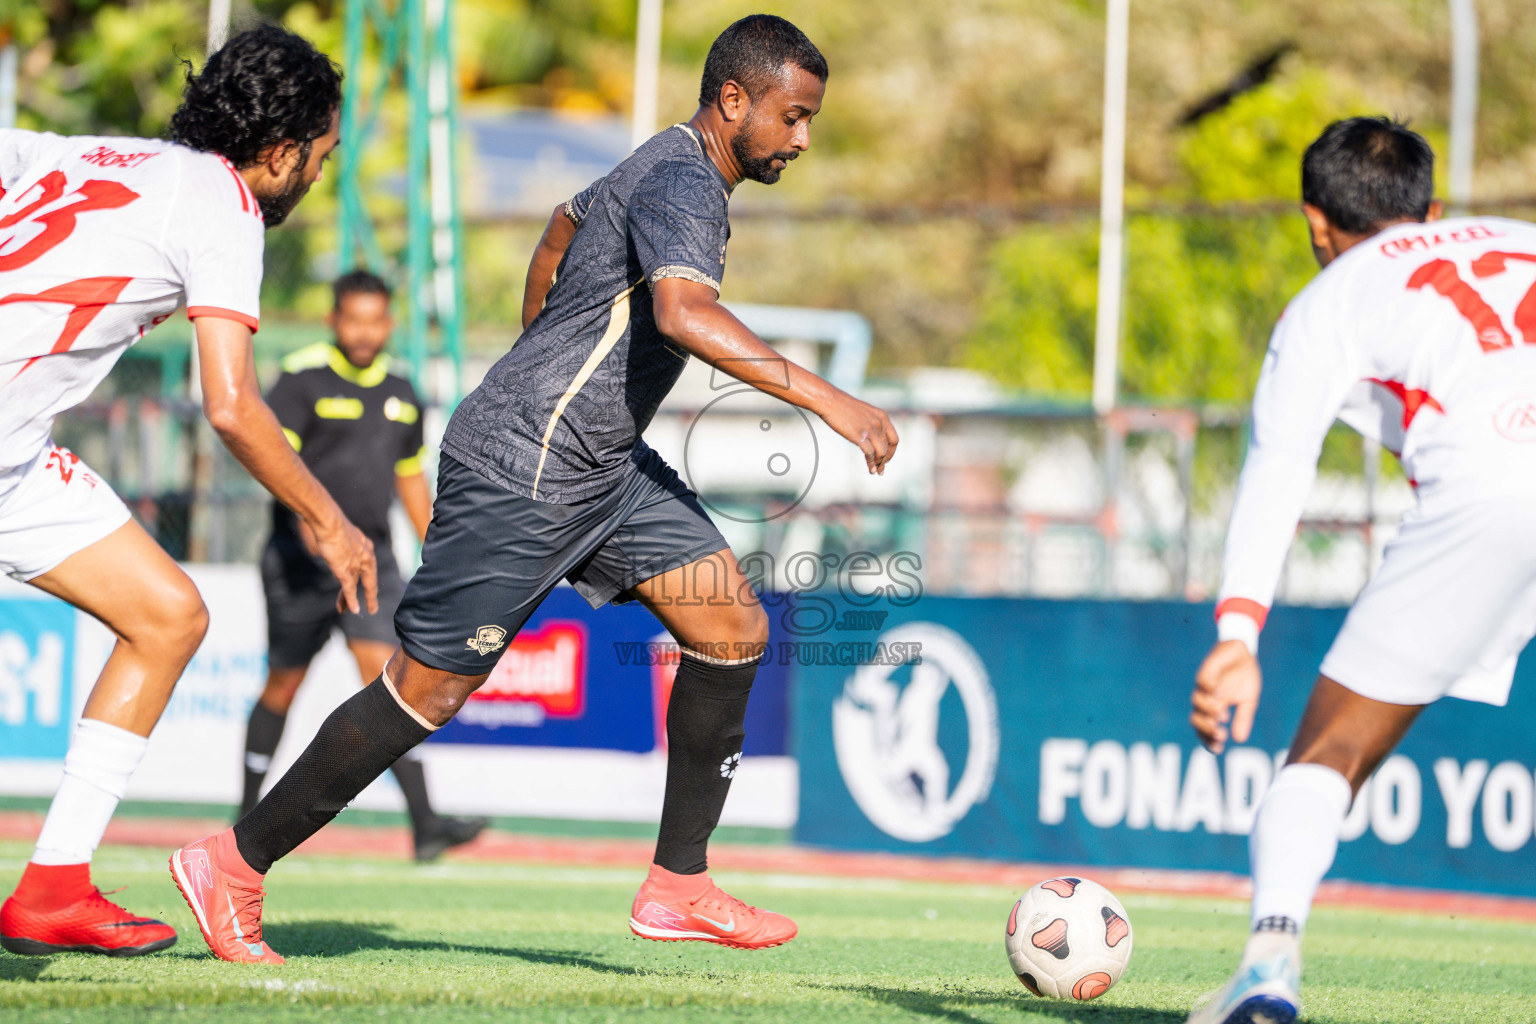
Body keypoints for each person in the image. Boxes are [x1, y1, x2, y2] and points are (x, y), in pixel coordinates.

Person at [172, 13, 898, 964]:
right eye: (793, 117)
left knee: (730, 626)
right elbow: (683, 313)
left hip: (604, 469)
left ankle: (679, 884)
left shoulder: (662, 161)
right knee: (427, 692)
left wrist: (538, 352)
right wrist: (832, 401)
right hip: (524, 469)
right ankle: (232, 861)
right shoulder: (684, 179)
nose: (801, 138)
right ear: (734, 100)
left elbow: (563, 225)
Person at [0, 26, 375, 958]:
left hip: (15, 456)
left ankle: (54, 887)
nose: (317, 174)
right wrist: (330, 520)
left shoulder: (88, 154)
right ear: (282, 150)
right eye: (322, 156)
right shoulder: (225, 203)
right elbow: (233, 405)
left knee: (167, 615)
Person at [1185, 117, 1536, 1024]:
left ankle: (1269, 961)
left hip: (1494, 488)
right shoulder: (1521, 237)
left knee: (1328, 756)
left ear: (1316, 222)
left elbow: (1278, 467)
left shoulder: (1329, 300)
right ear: (1434, 209)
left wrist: (1237, 634)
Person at [243, 269, 487, 861]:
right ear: (333, 320)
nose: (364, 332)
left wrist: (441, 552)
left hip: (372, 563)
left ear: (389, 324)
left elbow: (410, 480)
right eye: (353, 319)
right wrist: (315, 530)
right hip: (300, 563)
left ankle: (425, 825)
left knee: (391, 683)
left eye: (375, 321)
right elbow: (276, 464)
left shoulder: (402, 392)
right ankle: (243, 819)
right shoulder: (300, 379)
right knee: (282, 685)